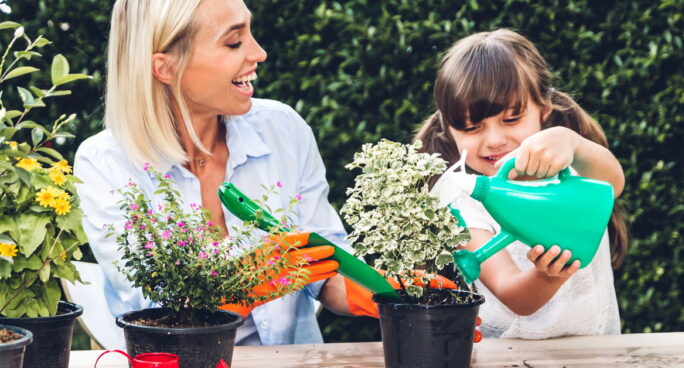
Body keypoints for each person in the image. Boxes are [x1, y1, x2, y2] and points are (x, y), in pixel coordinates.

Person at [74, 0, 378, 347]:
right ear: (166, 67)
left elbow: (324, 262)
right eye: (234, 42)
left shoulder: (283, 129)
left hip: (288, 366)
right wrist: (247, 284)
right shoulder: (105, 163)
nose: (259, 53)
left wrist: (385, 293)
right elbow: (152, 311)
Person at [415, 29, 628, 339]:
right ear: (448, 129)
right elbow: (513, 295)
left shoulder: (568, 167)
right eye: (472, 127)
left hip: (596, 353)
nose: (494, 140)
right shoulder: (462, 203)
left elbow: (613, 184)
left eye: (511, 119)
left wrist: (573, 143)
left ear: (543, 109)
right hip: (506, 360)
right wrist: (547, 276)